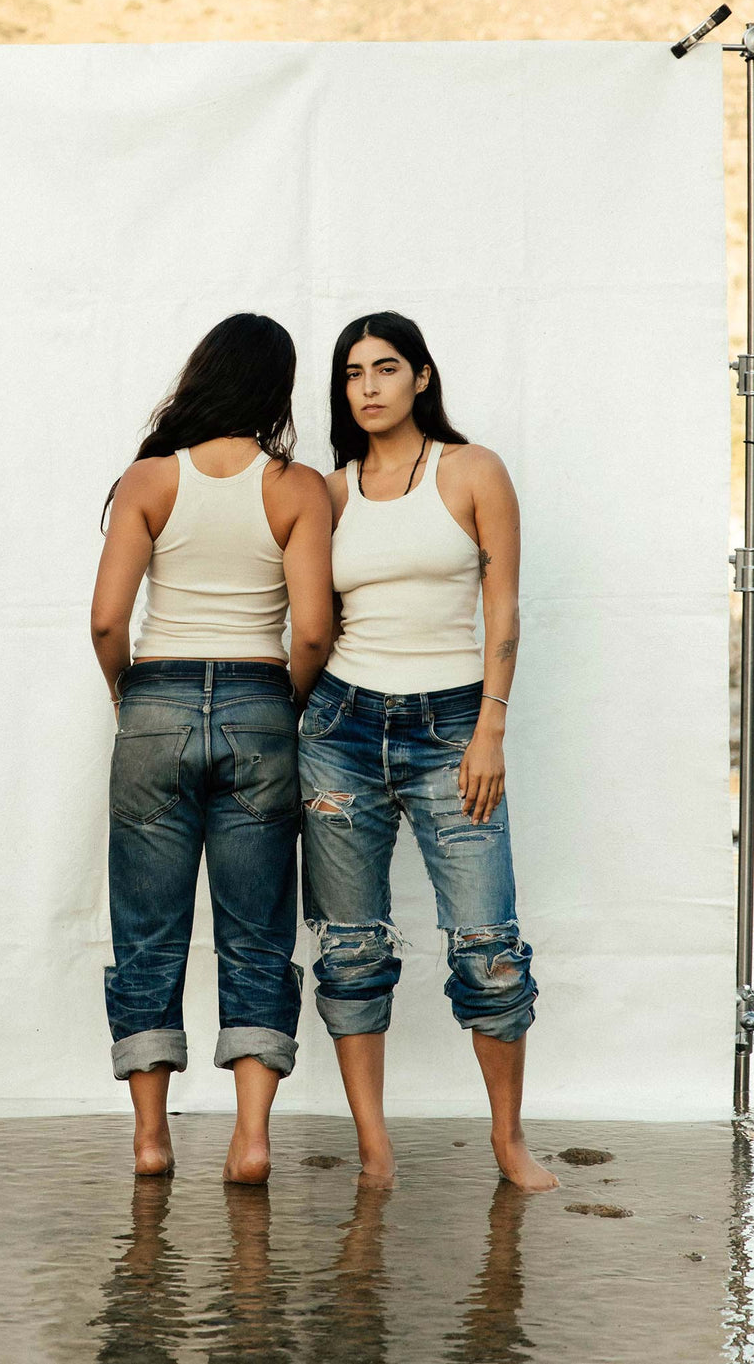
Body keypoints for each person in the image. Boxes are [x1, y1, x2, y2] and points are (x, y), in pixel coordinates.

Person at [298, 311, 557, 1191]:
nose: (367, 385)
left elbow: (505, 608)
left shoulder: (473, 470)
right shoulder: (329, 494)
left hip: (454, 727)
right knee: (351, 947)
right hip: (340, 730)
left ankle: (508, 1139)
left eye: (385, 368)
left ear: (422, 377)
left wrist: (491, 726)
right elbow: (309, 620)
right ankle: (374, 1150)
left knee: (488, 943)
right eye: (352, 373)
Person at [91, 313, 333, 1183]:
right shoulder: (296, 488)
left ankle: (152, 1139)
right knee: (256, 934)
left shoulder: (150, 479)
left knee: (148, 932)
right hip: (261, 704)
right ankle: (252, 1139)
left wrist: (133, 694)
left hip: (154, 701)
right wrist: (281, 700)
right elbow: (312, 629)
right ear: (276, 389)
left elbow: (107, 618)